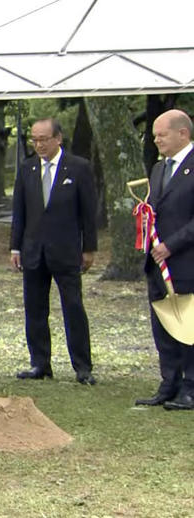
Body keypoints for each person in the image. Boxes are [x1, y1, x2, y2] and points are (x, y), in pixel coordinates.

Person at [9, 118, 98, 385]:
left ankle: (82, 366)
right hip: (34, 250)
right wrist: (16, 247)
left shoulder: (79, 168)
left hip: (67, 250)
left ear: (58, 138)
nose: (39, 145)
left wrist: (89, 248)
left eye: (44, 139)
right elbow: (19, 212)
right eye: (34, 140)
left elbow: (88, 213)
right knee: (35, 309)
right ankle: (40, 363)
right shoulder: (27, 169)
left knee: (73, 307)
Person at [135, 109, 194, 410]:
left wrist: (172, 244)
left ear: (182, 133)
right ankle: (168, 382)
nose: (156, 139)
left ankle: (191, 387)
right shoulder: (158, 169)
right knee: (163, 326)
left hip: (186, 262)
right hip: (157, 264)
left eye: (161, 134)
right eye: (154, 135)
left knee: (188, 325)